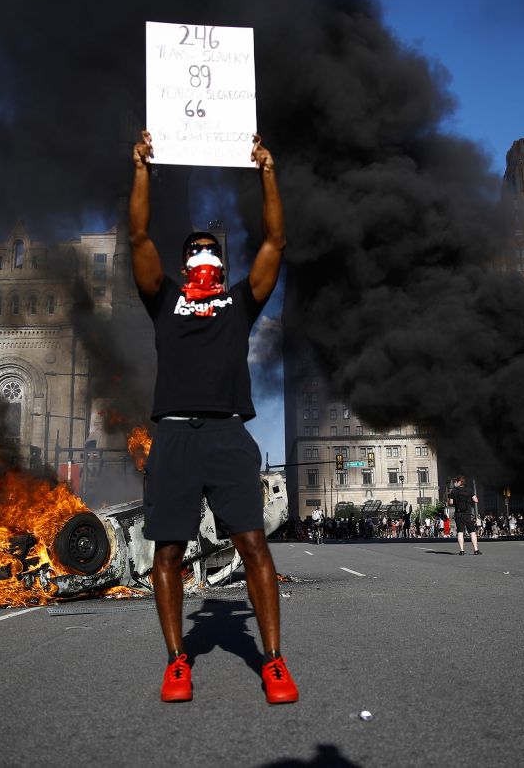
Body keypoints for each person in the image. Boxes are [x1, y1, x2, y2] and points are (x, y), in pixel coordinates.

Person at [130, 130, 296, 704]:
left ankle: (273, 663)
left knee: (253, 545)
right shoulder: (163, 298)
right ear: (182, 265)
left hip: (228, 433)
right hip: (174, 436)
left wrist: (266, 173)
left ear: (221, 265)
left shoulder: (239, 303)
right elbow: (138, 235)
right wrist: (143, 171)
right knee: (168, 553)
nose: (203, 255)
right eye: (194, 251)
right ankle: (178, 662)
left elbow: (276, 239)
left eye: (211, 251)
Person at [449, 475, 481, 556]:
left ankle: (462, 551)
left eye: (455, 482)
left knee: (460, 532)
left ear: (459, 482)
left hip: (458, 514)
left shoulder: (454, 491)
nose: (454, 483)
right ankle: (476, 550)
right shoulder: (469, 490)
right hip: (468, 514)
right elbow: (476, 500)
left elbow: (451, 503)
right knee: (472, 532)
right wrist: (469, 501)